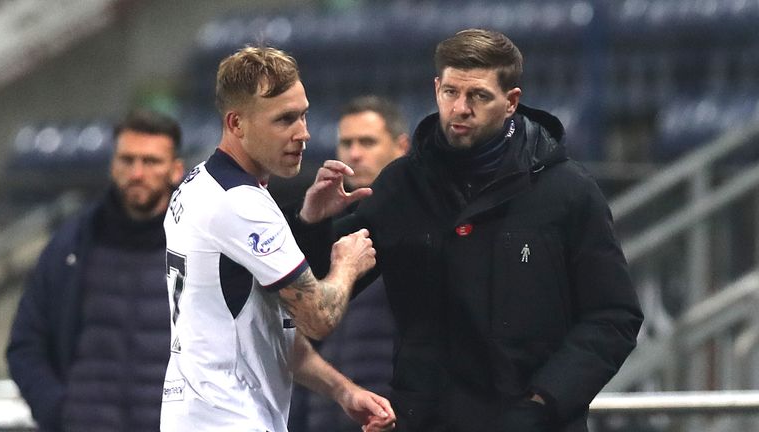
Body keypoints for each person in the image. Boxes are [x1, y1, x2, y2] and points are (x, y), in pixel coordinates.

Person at [289, 29, 644, 431]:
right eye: (450, 93)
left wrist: (542, 405)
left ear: (511, 102)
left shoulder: (567, 192)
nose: (460, 108)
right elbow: (320, 286)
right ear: (436, 88)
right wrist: (313, 222)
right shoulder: (403, 186)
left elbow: (613, 317)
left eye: (478, 96)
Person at [159, 45, 396, 432]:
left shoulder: (198, 183)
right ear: (236, 124)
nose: (303, 133)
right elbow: (319, 318)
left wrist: (343, 391)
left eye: (303, 115)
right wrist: (346, 265)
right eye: (284, 119)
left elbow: (268, 332)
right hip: (229, 419)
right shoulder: (241, 203)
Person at [6, 109, 186, 432]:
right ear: (112, 166)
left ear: (175, 170)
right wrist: (59, 410)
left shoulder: (200, 247)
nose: (137, 173)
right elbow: (25, 342)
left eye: (151, 162)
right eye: (127, 160)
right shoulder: (71, 246)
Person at [289, 95, 409, 432]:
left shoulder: (417, 228)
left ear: (401, 147)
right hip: (323, 413)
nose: (355, 153)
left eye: (368, 142)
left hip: (388, 414)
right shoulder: (319, 233)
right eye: (347, 142)